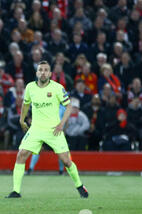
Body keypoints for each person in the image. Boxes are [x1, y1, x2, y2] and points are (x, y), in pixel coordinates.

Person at [6, 60, 88, 199]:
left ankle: (80, 186)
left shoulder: (57, 88)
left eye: (45, 70)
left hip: (54, 130)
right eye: (40, 70)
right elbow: (26, 104)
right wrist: (22, 119)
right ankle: (16, 191)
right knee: (21, 154)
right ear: (37, 72)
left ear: (50, 73)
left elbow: (69, 106)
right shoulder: (30, 87)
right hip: (36, 129)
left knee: (66, 161)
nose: (43, 72)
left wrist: (62, 124)